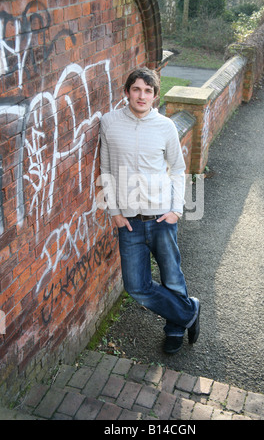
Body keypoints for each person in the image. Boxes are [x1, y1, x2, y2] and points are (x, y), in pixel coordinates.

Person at [99, 67, 200, 354]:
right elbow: (106, 169)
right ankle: (189, 311)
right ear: (127, 92)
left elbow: (178, 169)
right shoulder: (109, 123)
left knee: (171, 276)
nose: (141, 95)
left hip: (161, 217)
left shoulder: (165, 126)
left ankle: (175, 328)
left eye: (148, 90)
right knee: (136, 286)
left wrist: (176, 210)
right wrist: (114, 212)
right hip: (128, 220)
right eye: (136, 89)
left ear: (155, 96)